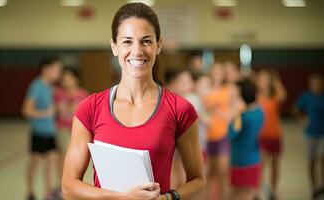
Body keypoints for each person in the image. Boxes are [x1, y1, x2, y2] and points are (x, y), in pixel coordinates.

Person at [62, 3, 206, 200]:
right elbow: (69, 186)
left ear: (158, 45)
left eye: (146, 41)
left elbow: (198, 180)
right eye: (127, 42)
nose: (137, 51)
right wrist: (122, 197)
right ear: (114, 47)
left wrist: (168, 198)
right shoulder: (90, 109)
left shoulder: (180, 109)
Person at [22, 57, 63, 200]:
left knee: (51, 163)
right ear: (46, 69)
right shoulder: (36, 86)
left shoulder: (53, 88)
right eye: (57, 69)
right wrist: (45, 113)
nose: (59, 72)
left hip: (52, 132)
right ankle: (30, 191)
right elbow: (26, 110)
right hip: (39, 133)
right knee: (35, 164)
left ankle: (48, 193)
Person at [228, 79, 264, 200]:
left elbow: (231, 134)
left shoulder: (243, 117)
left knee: (239, 194)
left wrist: (233, 116)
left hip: (241, 161)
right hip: (254, 159)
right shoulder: (259, 111)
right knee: (248, 193)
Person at [54, 67, 89, 191]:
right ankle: (62, 183)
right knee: (64, 155)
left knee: (78, 157)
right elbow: (58, 111)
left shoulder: (83, 94)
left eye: (69, 77)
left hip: (77, 129)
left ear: (76, 79)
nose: (66, 81)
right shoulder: (58, 93)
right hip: (63, 128)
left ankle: (75, 181)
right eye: (64, 78)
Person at [256, 69, 287, 200]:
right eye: (260, 79)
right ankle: (257, 192)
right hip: (261, 136)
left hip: (275, 136)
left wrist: (275, 79)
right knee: (260, 165)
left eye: (264, 79)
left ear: (269, 81)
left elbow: (283, 94)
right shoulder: (256, 96)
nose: (261, 81)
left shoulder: (275, 96)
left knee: (275, 165)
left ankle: (273, 191)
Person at [203, 62, 231, 200]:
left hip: (223, 136)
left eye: (220, 72)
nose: (217, 74)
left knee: (222, 173)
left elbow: (232, 114)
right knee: (208, 174)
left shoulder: (228, 90)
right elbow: (201, 112)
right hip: (208, 138)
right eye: (214, 71)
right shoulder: (205, 90)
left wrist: (217, 111)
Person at [293, 74, 324, 200]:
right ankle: (314, 187)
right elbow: (295, 109)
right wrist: (302, 119)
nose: (316, 86)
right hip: (311, 133)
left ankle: (322, 184)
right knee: (311, 161)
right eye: (313, 84)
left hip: (323, 134)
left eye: (318, 84)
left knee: (322, 159)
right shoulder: (307, 96)